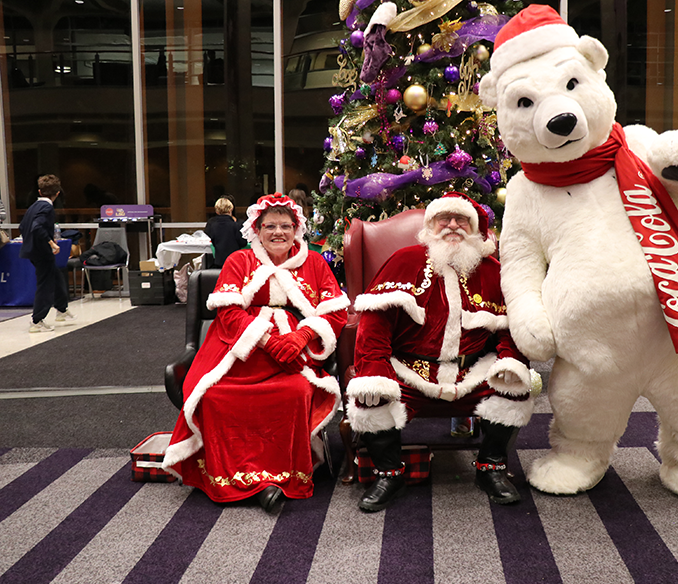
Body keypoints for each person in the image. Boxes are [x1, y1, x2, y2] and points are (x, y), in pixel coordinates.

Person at [346, 192, 534, 512]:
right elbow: (373, 327)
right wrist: (375, 370)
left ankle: (491, 468)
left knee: (513, 387)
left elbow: (510, 329)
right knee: (371, 396)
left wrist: (510, 361)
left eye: (461, 219)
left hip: (471, 370)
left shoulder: (490, 270)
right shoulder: (403, 261)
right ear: (429, 226)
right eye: (443, 219)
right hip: (410, 369)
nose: (452, 225)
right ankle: (389, 474)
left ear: (474, 228)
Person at [163, 193, 350, 511]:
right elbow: (230, 312)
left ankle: (273, 479)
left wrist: (301, 335)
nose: (279, 232)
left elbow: (334, 310)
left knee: (294, 392)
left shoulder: (315, 262)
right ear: (257, 230)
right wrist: (267, 341)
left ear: (296, 229)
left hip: (294, 352)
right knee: (216, 396)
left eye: (286, 226)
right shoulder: (239, 261)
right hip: (237, 350)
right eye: (270, 226)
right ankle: (248, 481)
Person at [18, 175, 75, 333]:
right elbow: (37, 227)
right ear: (57, 193)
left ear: (39, 191)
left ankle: (61, 309)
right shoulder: (47, 208)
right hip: (42, 252)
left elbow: (23, 226)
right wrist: (51, 243)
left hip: (32, 251)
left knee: (55, 277)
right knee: (45, 285)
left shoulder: (33, 207)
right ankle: (37, 320)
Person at [204, 196, 246, 268]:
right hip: (234, 261)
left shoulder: (212, 225)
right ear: (231, 209)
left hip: (218, 261)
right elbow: (243, 243)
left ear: (217, 211)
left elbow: (208, 239)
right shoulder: (235, 225)